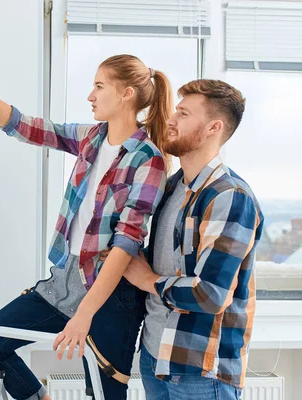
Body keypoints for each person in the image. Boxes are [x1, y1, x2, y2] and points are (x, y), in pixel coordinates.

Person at [0, 54, 172, 400]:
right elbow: (26, 127)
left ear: (126, 95)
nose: (90, 95)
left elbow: (125, 245)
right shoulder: (91, 138)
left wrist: (85, 313)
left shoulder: (148, 160)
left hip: (112, 293)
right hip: (64, 282)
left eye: (99, 86)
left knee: (103, 395)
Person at [121, 79, 264, 400]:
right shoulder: (173, 187)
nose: (171, 119)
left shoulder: (229, 197)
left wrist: (148, 280)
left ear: (214, 127)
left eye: (183, 114)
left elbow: (211, 295)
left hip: (199, 371)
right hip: (155, 358)